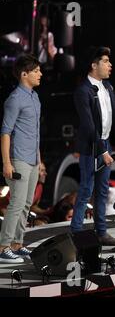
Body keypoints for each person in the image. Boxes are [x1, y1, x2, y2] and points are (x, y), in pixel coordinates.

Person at [70, 46, 115, 246]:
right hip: (92, 146)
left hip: (104, 143)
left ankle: (101, 231)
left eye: (109, 61)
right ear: (94, 65)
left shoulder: (107, 87)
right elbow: (89, 125)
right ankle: (76, 233)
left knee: (102, 190)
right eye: (105, 61)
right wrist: (103, 151)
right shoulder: (83, 91)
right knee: (86, 190)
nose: (110, 65)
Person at [0, 54, 42, 263]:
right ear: (24, 74)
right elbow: (5, 132)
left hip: (32, 159)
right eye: (36, 71)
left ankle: (17, 244)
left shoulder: (34, 97)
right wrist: (6, 163)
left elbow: (34, 131)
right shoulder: (15, 99)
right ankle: (3, 247)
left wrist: (39, 159)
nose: (40, 74)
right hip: (18, 159)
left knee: (26, 204)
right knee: (16, 203)